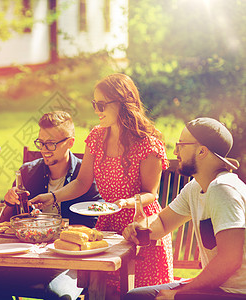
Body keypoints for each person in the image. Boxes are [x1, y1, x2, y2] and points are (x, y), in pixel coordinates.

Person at [30, 74, 174, 295]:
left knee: (137, 295)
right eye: (94, 103)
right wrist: (53, 196)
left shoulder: (148, 144)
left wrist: (126, 202)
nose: (97, 110)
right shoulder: (96, 137)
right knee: (103, 293)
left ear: (124, 103)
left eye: (102, 104)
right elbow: (82, 182)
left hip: (141, 228)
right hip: (106, 228)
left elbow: (151, 194)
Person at [0, 111, 103, 300]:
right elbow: (4, 224)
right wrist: (9, 202)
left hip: (70, 261)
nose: (45, 149)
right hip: (32, 258)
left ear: (70, 143)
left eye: (51, 143)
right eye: (41, 142)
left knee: (57, 294)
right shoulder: (28, 172)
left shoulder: (85, 176)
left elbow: (94, 223)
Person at [123, 117, 245, 300]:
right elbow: (163, 223)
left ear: (202, 151)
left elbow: (230, 260)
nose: (175, 151)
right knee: (136, 296)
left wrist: (179, 294)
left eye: (181, 145)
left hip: (235, 293)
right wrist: (141, 226)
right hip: (219, 288)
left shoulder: (223, 189)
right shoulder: (196, 187)